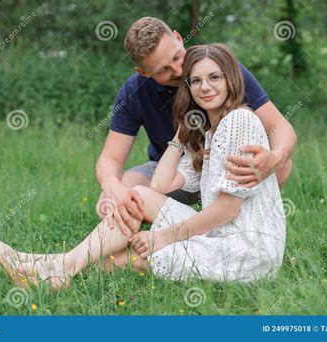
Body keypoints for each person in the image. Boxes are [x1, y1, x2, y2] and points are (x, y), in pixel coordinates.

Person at [0, 43, 285, 288]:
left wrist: (162, 236)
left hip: (246, 251)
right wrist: (180, 137)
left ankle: (39, 265)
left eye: (214, 77)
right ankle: (54, 266)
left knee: (149, 253)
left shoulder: (239, 121)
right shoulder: (212, 131)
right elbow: (160, 186)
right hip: (219, 234)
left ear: (232, 78)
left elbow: (226, 211)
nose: (205, 87)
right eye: (196, 81)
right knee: (137, 194)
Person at [95, 17, 295, 238]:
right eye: (163, 70)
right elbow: (110, 160)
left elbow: (279, 127)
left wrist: (276, 157)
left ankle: (243, 227)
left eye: (177, 56)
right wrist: (114, 187)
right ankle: (182, 230)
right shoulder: (135, 92)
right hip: (172, 168)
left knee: (283, 164)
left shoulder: (220, 69)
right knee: (111, 198)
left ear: (179, 38)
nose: (178, 70)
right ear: (144, 72)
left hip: (227, 168)